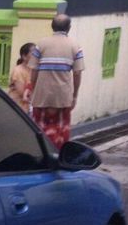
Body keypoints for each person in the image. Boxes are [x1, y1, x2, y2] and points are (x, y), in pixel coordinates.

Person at [28, 14, 84, 149]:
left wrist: (34, 89)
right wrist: (74, 95)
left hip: (42, 96)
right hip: (63, 97)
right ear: (69, 28)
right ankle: (58, 156)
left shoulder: (41, 44)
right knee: (61, 130)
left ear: (52, 26)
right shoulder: (75, 46)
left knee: (39, 128)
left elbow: (33, 70)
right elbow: (77, 73)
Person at [8, 42, 35, 114]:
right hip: (18, 109)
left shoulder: (34, 70)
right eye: (33, 53)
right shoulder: (18, 71)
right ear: (24, 56)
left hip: (29, 108)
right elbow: (22, 92)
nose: (36, 56)